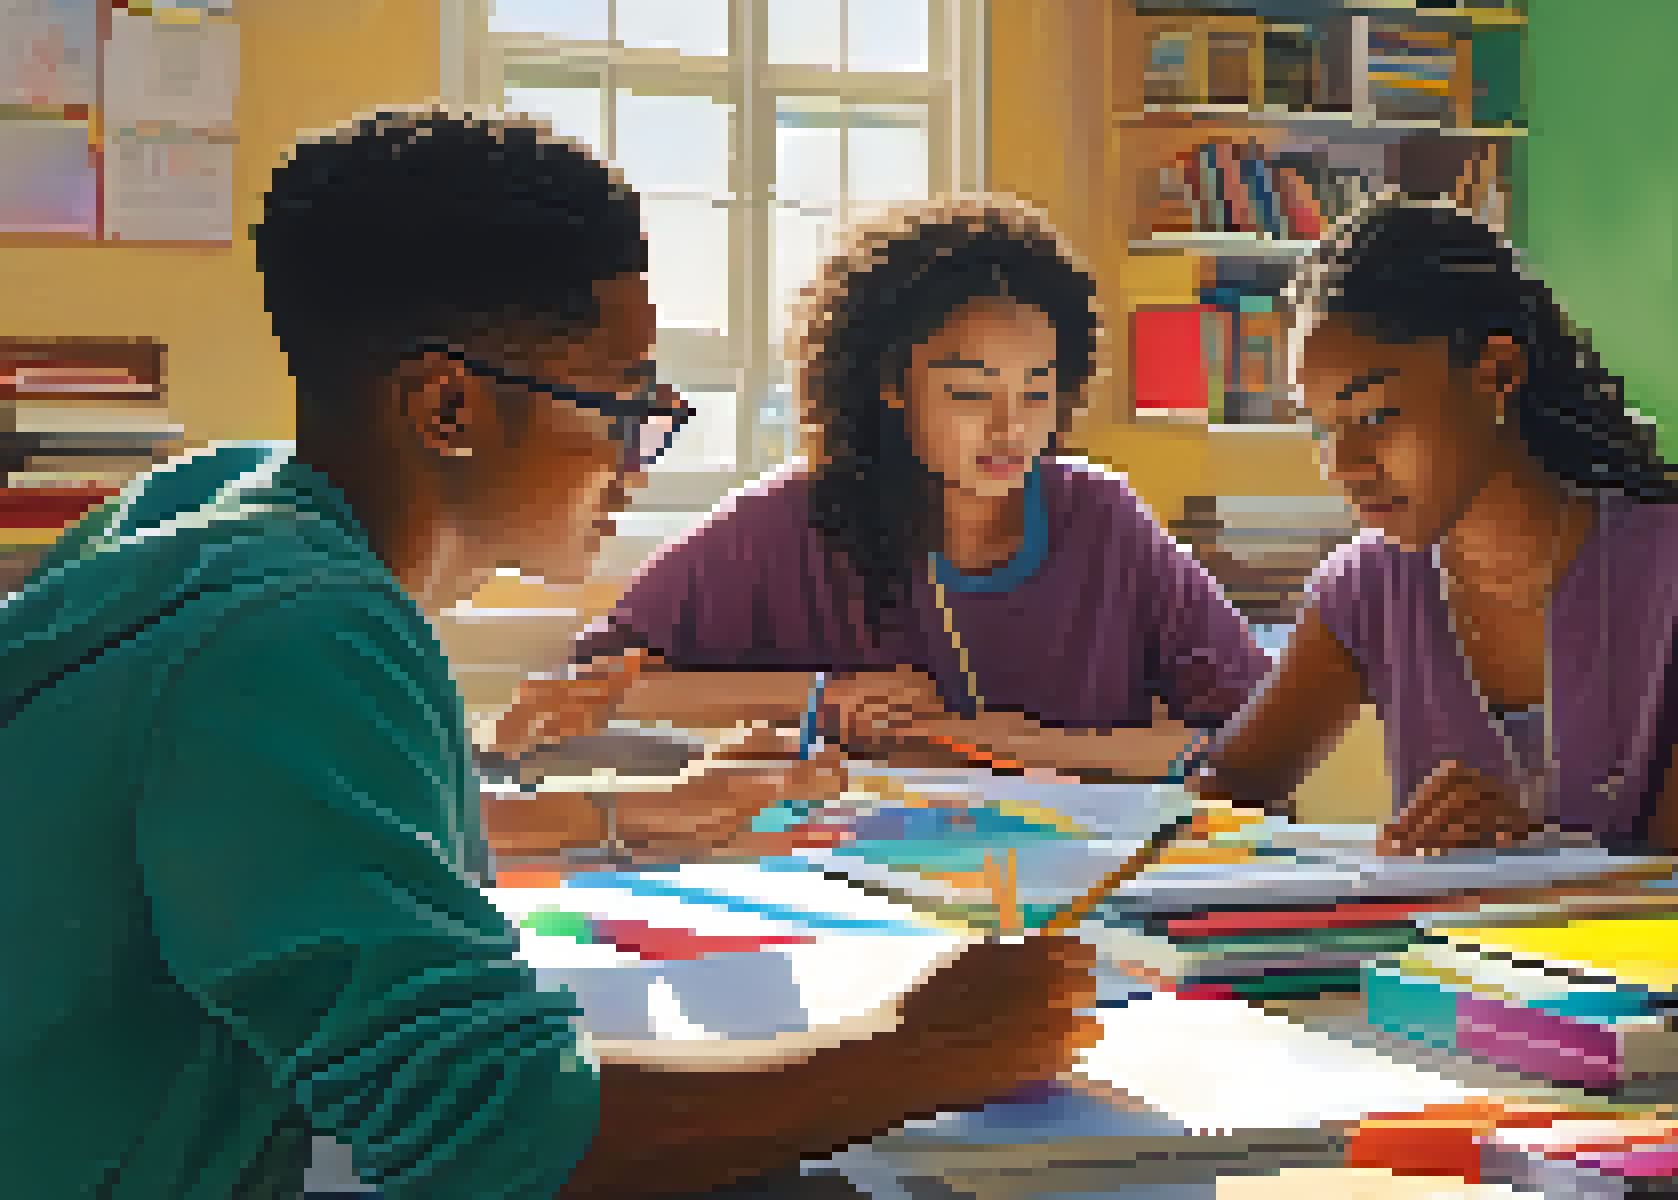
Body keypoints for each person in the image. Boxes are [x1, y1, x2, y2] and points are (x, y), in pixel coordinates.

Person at [0, 108, 1098, 1200]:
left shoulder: (202, 505)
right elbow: (498, 1140)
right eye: (621, 402)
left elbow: (281, 839)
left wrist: (626, 816)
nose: (637, 452)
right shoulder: (305, 632)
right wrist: (921, 1052)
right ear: (447, 406)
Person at [485, 196, 1271, 797]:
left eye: (1038, 394)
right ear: (892, 384)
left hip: (1084, 897)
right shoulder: (786, 521)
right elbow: (592, 690)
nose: (1010, 429)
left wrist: (1003, 741)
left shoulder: (1102, 520)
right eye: (970, 394)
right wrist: (824, 698)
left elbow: (1248, 728)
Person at [1192, 199, 1678, 869]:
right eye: (1322, 427)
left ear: (1497, 374)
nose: (1342, 467)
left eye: (1375, 414)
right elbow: (1227, 793)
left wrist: (1536, 856)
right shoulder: (1365, 588)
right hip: (1424, 974)